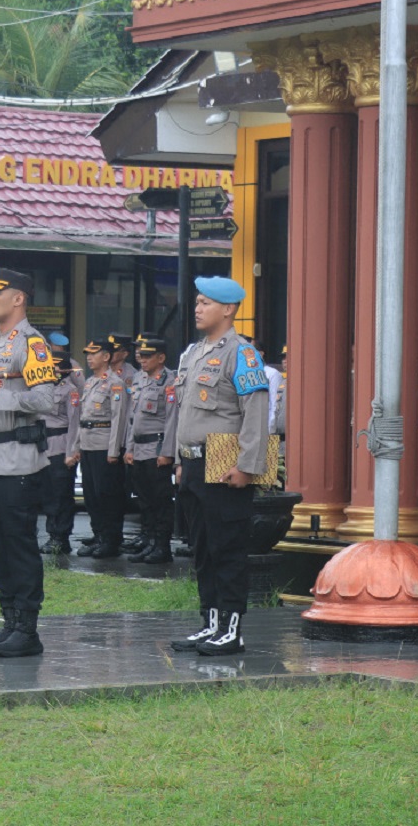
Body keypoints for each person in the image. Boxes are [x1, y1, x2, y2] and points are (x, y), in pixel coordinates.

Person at [168, 276, 270, 657]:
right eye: (197, 302)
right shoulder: (193, 353)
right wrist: (179, 460)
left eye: (205, 303)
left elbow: (255, 412)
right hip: (193, 461)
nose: (197, 309)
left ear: (228, 309)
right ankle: (210, 622)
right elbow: (184, 412)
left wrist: (248, 465)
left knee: (227, 548)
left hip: (226, 460)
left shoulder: (242, 354)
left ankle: (231, 629)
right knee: (202, 549)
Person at [0, 269, 56, 658]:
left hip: (17, 459)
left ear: (18, 298)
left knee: (19, 545)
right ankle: (10, 622)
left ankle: (27, 629)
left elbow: (46, 400)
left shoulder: (32, 344)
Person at [71, 339, 129, 559]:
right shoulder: (89, 382)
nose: (89, 358)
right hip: (88, 444)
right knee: (91, 495)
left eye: (94, 353)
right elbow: (83, 417)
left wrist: (114, 451)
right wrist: (77, 446)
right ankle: (99, 536)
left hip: (104, 445)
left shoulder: (115, 383)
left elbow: (118, 419)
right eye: (87, 354)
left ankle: (111, 540)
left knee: (107, 495)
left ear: (106, 357)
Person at [123, 336, 178, 564]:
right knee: (144, 500)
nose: (142, 359)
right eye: (141, 356)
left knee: (160, 501)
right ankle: (150, 542)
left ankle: (162, 546)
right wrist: (130, 447)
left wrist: (167, 452)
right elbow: (133, 418)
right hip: (139, 448)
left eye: (147, 356)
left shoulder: (170, 381)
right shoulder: (140, 379)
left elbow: (172, 420)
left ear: (161, 357)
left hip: (156, 448)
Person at [40, 351, 81, 555]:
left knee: (61, 495)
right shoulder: (44, 388)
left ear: (63, 369)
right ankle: (52, 535)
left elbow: (75, 423)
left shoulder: (70, 391)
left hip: (62, 446)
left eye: (53, 366)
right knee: (48, 494)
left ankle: (61, 537)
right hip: (44, 446)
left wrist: (72, 452)